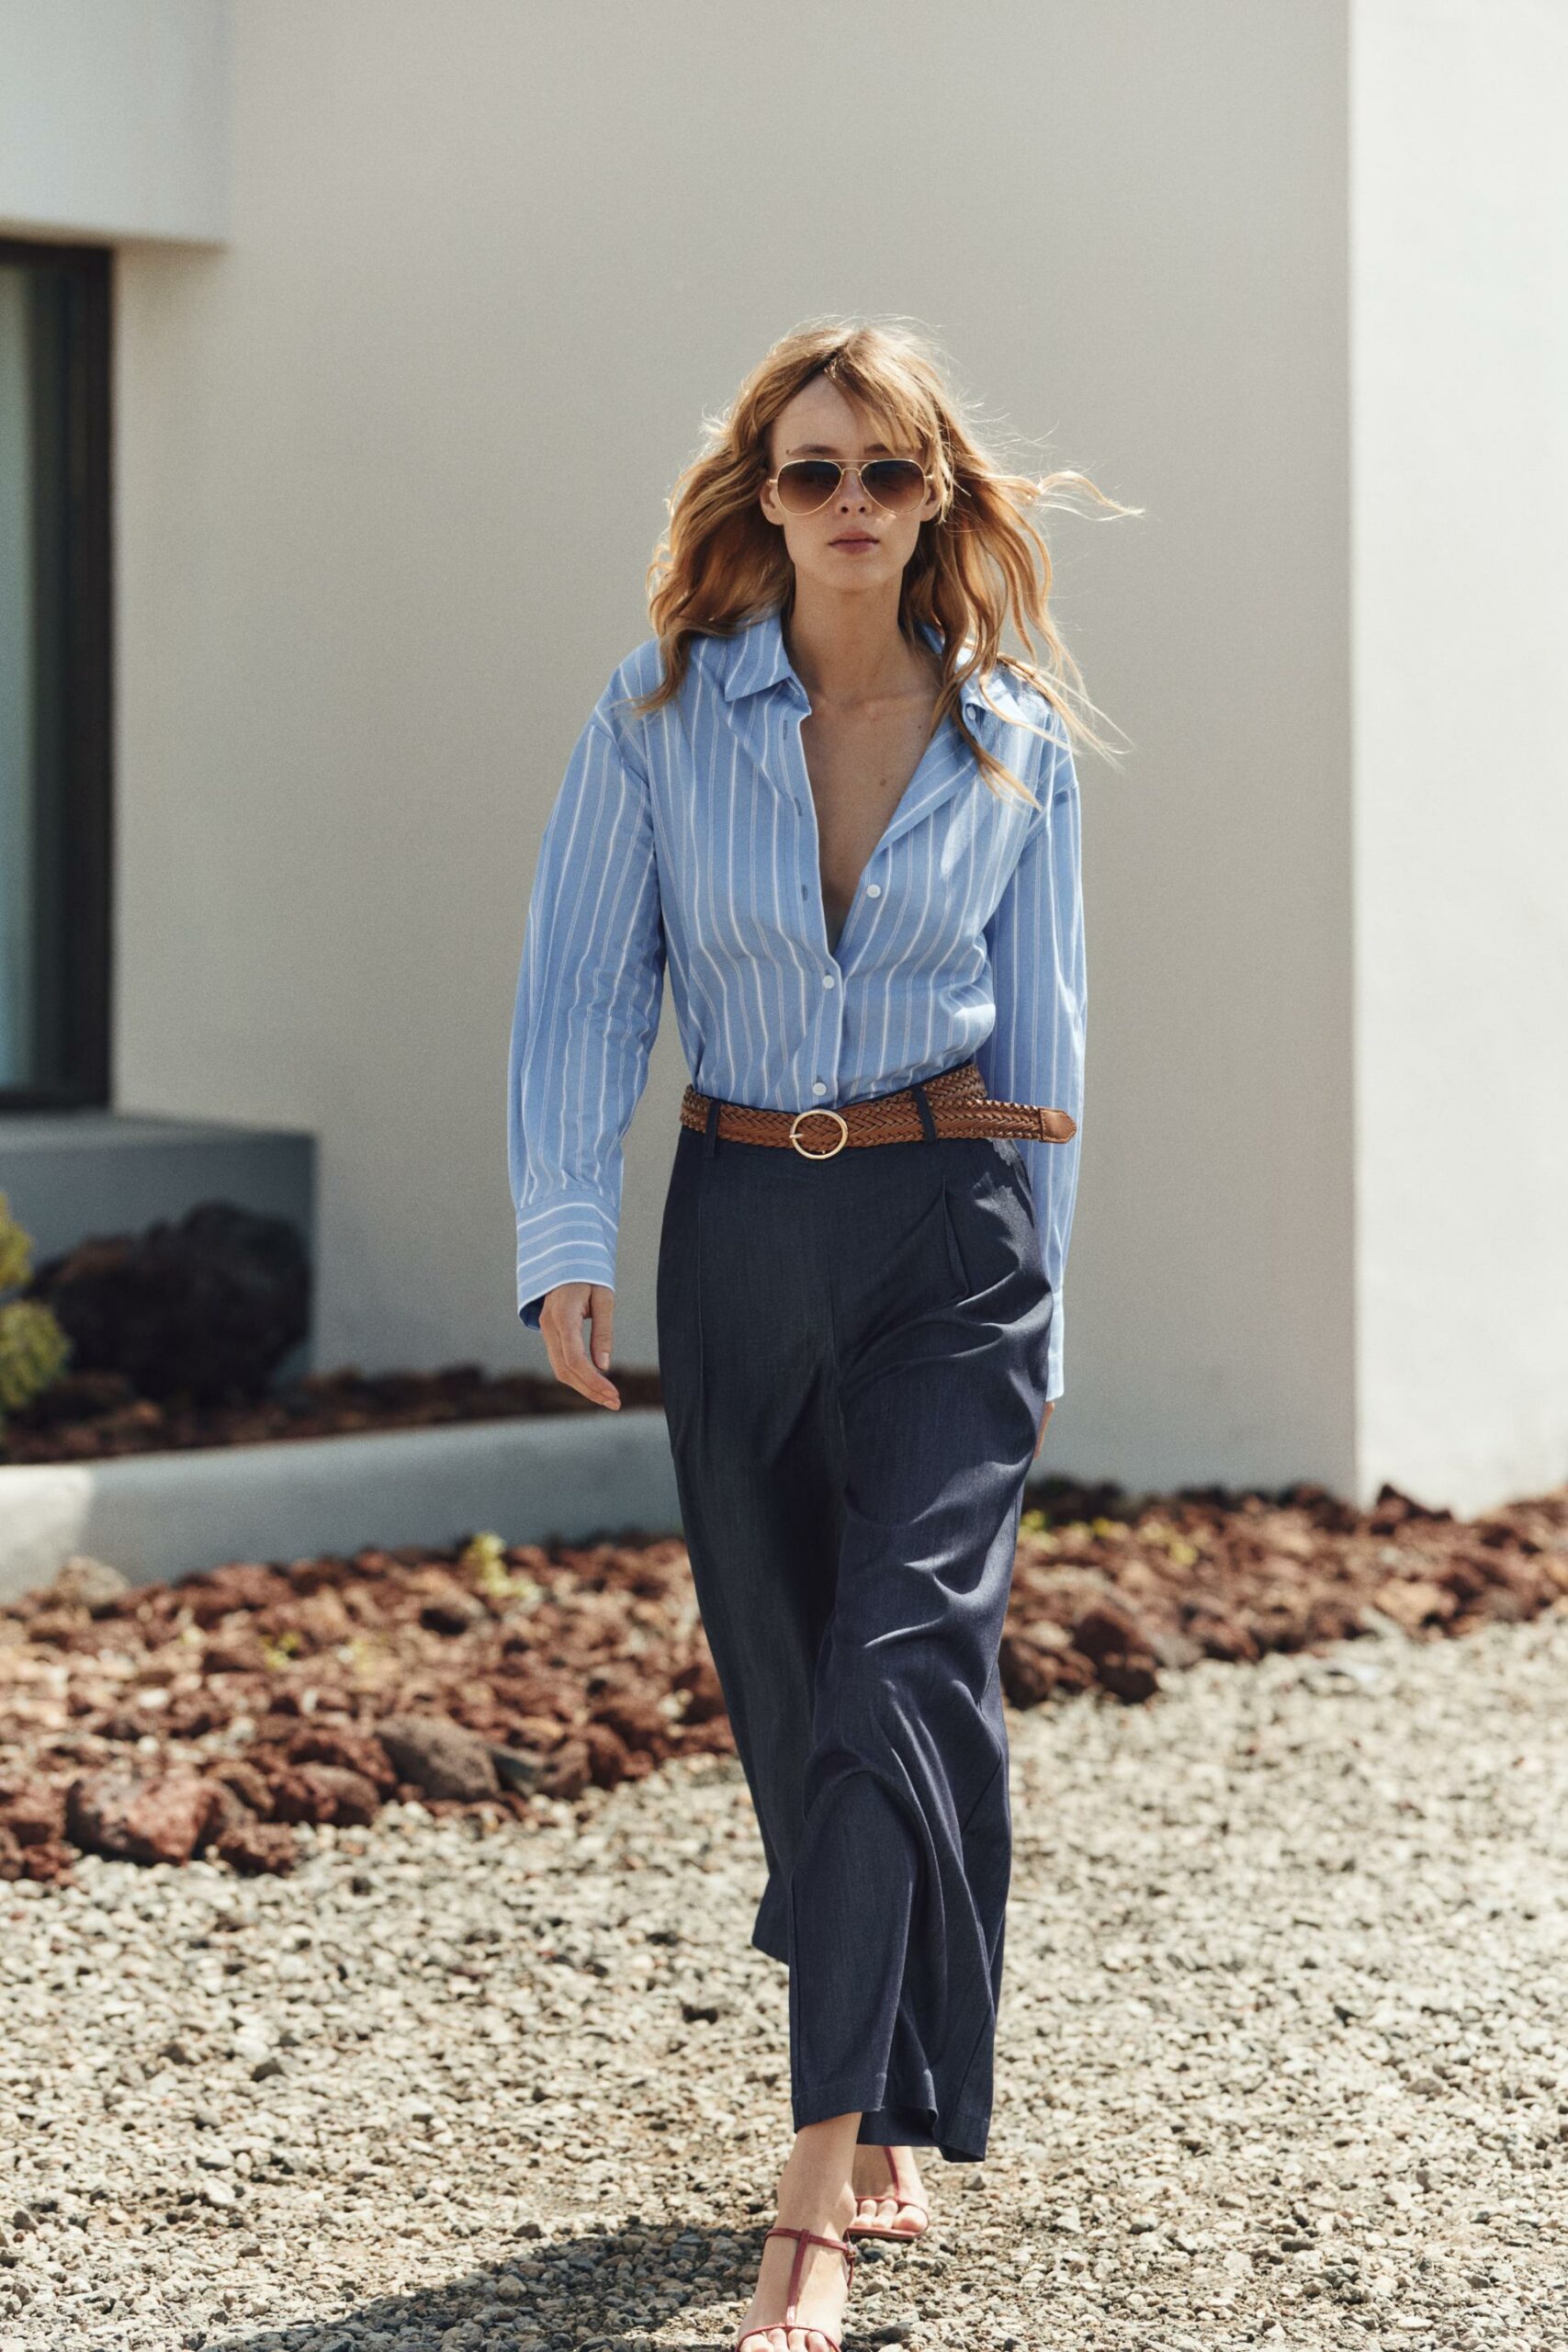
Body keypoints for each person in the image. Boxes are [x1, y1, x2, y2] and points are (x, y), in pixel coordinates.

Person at [507, 318, 1130, 2352]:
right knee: (792, 1678)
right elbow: (583, 985)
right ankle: (894, 2070)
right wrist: (564, 1231)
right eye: (811, 470)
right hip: (743, 1220)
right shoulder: (656, 714)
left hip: (954, 1228)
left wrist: (1043, 1308)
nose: (850, 502)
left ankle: (816, 2185)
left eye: (885, 470)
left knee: (897, 1659)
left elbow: (1048, 1038)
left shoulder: (1013, 736)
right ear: (760, 497)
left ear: (935, 497)